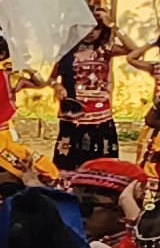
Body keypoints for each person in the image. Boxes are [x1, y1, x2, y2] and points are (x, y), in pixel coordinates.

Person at [52, 14, 125, 168]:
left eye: (96, 28)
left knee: (100, 162)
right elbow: (52, 78)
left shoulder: (104, 50)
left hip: (100, 116)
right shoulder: (66, 52)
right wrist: (57, 86)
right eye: (85, 28)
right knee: (69, 162)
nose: (91, 33)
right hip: (73, 115)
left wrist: (113, 27)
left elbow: (133, 49)